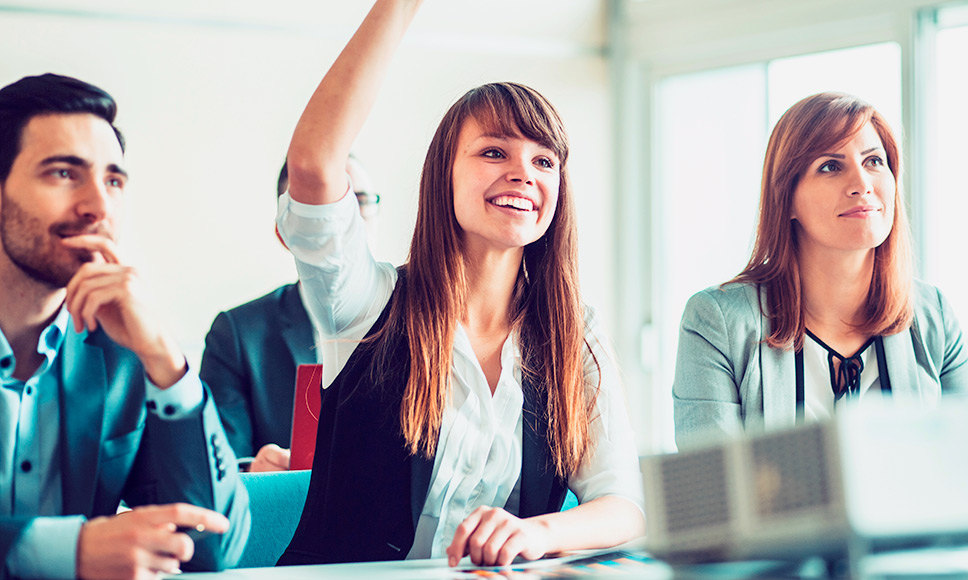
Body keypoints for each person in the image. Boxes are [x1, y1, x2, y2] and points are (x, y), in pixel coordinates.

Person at [274, 0, 644, 568]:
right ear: (443, 174)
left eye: (544, 161)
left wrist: (537, 534)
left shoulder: (575, 331)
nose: (523, 172)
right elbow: (315, 165)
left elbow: (622, 505)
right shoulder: (365, 304)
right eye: (494, 152)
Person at [0, 73, 249, 579]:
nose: (99, 205)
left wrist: (165, 361)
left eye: (113, 180)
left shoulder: (121, 351)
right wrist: (66, 549)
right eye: (63, 173)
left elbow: (214, 547)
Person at [672, 92, 968, 449]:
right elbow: (712, 489)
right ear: (786, 199)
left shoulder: (931, 313)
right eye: (831, 166)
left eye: (874, 161)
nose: (862, 184)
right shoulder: (717, 321)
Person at [200, 156, 378, 472]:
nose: (348, 223)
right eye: (324, 208)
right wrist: (253, 471)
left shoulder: (421, 321)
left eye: (360, 203)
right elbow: (217, 470)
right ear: (286, 232)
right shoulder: (238, 334)